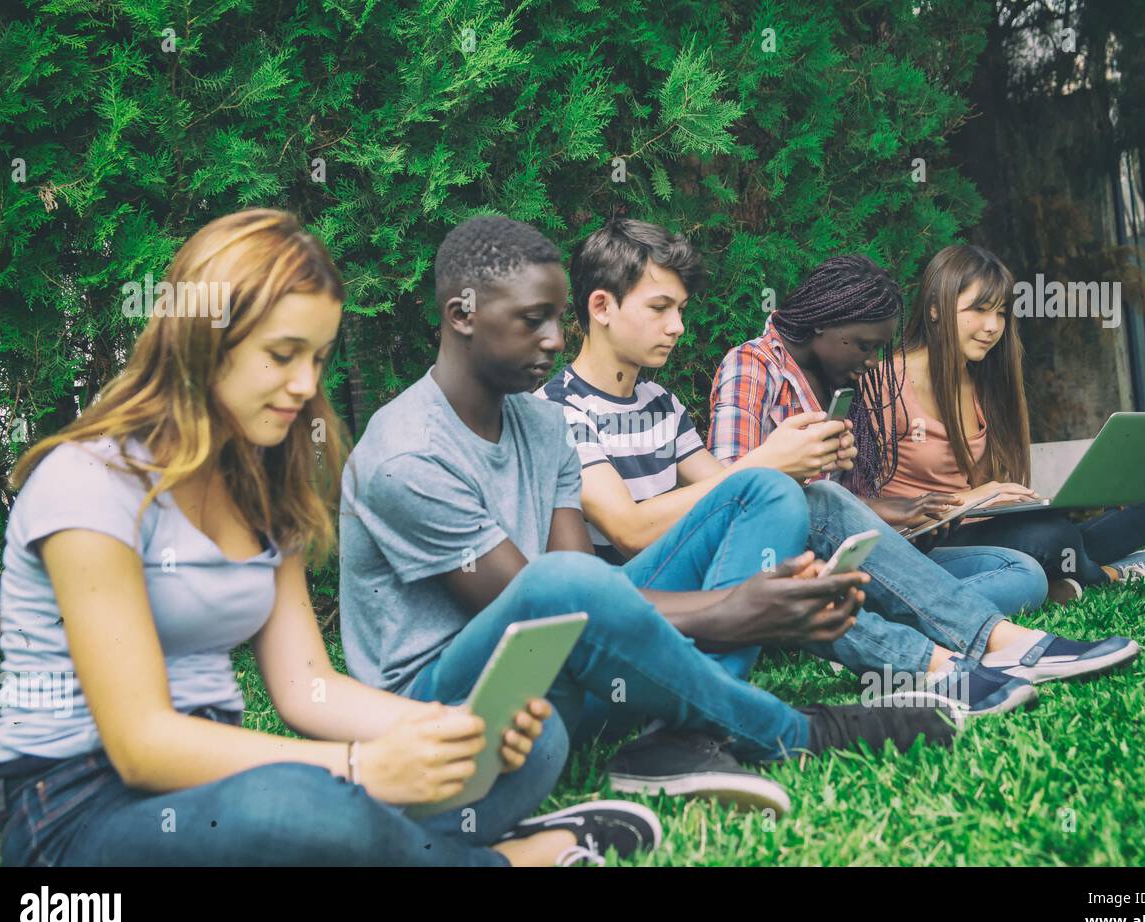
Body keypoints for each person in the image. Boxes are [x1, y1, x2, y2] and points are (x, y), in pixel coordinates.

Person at [0, 209, 653, 868]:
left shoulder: (260, 485)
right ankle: (506, 861)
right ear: (204, 339)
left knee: (522, 745)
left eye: (317, 358)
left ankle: (400, 847)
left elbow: (306, 685)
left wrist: (440, 732)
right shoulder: (88, 483)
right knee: (301, 809)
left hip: (217, 789)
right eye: (282, 355)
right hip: (78, 816)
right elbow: (140, 746)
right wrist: (363, 769)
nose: (307, 385)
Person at [336, 215, 962, 819]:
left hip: (569, 667)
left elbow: (584, 580)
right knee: (554, 583)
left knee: (765, 491)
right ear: (462, 318)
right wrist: (730, 610)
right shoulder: (408, 452)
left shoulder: (541, 423)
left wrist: (755, 568)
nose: (556, 339)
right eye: (534, 321)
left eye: (557, 318)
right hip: (455, 700)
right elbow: (544, 608)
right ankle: (786, 730)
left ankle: (679, 740)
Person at [541, 220, 1140, 801]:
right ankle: (965, 651)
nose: (677, 326)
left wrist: (795, 468)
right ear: (601, 306)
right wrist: (772, 460)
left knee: (807, 495)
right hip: (626, 605)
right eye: (659, 308)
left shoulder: (658, 401)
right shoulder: (559, 408)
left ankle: (959, 652)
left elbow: (731, 500)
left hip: (690, 595)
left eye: (680, 309)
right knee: (788, 489)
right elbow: (629, 531)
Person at [708, 253, 1048, 616]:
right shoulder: (751, 367)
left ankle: (875, 616)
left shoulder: (837, 381)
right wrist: (795, 465)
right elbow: (730, 497)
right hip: (781, 566)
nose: (873, 363)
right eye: (864, 346)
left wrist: (896, 512)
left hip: (852, 559)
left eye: (878, 349)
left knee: (1024, 572)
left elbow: (840, 509)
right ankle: (877, 617)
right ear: (824, 324)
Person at [882, 244, 1145, 604]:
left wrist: (1019, 501)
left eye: (1001, 313)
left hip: (985, 527)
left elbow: (984, 491)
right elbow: (862, 504)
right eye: (978, 310)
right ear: (934, 309)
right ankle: (1107, 576)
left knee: (1144, 507)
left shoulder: (981, 381)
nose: (992, 327)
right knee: (1050, 538)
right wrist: (973, 498)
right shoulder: (887, 384)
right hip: (927, 541)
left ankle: (1066, 570)